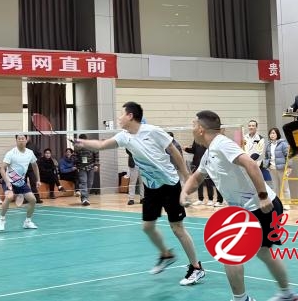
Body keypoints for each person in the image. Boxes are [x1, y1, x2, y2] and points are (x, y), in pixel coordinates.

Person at [75, 101, 205, 286]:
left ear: (130, 116)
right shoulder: (124, 136)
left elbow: (173, 150)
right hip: (151, 186)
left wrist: (186, 177)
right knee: (147, 227)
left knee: (177, 228)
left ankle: (196, 267)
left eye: (121, 114)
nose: (119, 118)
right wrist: (82, 142)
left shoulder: (152, 131)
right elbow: (102, 145)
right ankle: (166, 255)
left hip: (169, 184)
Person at [181, 111, 298, 301]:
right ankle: (287, 293)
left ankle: (243, 299)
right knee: (263, 252)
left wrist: (262, 196)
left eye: (194, 125)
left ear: (201, 129)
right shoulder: (209, 152)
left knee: (230, 253)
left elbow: (251, 164)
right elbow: (197, 177)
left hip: (261, 206)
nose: (192, 129)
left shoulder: (222, 144)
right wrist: (184, 192)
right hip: (246, 209)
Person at [0, 134, 41, 231]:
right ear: (16, 140)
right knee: (9, 197)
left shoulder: (30, 153)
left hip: (20, 182)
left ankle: (27, 222)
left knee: (33, 200)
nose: (21, 140)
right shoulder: (11, 153)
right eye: (19, 139)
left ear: (26, 140)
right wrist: (7, 182)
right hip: (9, 181)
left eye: (23, 139)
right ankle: (2, 219)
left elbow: (35, 166)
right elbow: (2, 169)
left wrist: (38, 179)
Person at [264, 127, 291, 210]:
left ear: (277, 134)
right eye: (270, 133)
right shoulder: (268, 145)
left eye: (274, 133)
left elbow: (288, 156)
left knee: (285, 187)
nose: (272, 135)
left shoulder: (283, 144)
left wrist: (289, 167)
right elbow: (266, 157)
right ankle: (278, 204)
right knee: (276, 187)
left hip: (282, 168)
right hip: (272, 169)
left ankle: (287, 204)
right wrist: (267, 165)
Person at [243, 120, 272, 188]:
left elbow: (258, 152)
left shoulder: (260, 139)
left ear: (256, 127)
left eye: (253, 126)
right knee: (247, 183)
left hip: (255, 163)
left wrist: (248, 161)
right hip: (244, 163)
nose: (251, 127)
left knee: (256, 183)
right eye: (249, 126)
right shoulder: (244, 137)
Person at [74, 134, 99, 206]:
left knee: (90, 183)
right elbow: (75, 157)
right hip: (82, 168)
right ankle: (84, 198)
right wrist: (77, 165)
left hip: (91, 167)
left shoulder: (91, 146)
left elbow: (96, 155)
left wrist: (96, 165)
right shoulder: (77, 147)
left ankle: (86, 197)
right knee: (83, 182)